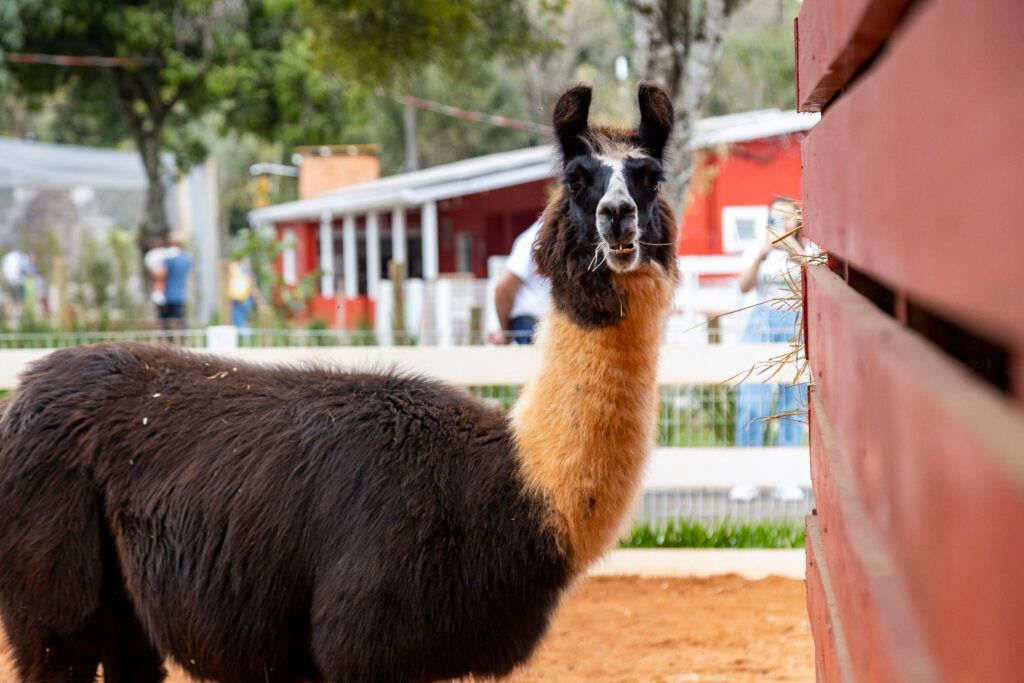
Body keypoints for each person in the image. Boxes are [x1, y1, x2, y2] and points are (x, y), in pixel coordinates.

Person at [734, 199, 809, 447]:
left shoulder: (803, 250)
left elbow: (814, 275)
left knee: (793, 404)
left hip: (793, 327)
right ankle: (748, 476)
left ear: (796, 222)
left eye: (787, 218)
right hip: (761, 325)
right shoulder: (758, 247)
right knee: (754, 403)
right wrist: (760, 256)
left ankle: (786, 478)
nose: (782, 223)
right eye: (776, 218)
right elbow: (744, 286)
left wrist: (790, 249)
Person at [493, 220, 550, 344]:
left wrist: (504, 331)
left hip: (538, 325)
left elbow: (502, 289)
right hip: (533, 325)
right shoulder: (537, 235)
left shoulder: (540, 233)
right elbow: (503, 288)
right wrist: (505, 331)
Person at [158, 233, 192, 330]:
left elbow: (161, 275)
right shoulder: (186, 258)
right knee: (180, 322)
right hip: (180, 295)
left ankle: (166, 343)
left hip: (166, 295)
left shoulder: (168, 259)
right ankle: (183, 342)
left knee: (164, 324)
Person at [227, 260, 255, 329]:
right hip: (242, 298)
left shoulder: (236, 271)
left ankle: (244, 338)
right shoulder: (244, 272)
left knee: (240, 322)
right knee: (243, 321)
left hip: (241, 299)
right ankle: (245, 338)